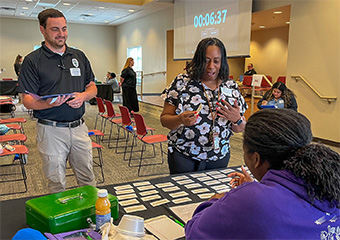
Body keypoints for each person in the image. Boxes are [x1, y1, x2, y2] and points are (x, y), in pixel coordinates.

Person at [185, 109, 340, 239]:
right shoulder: (330, 179)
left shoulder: (252, 200)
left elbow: (194, 232)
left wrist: (217, 201)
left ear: (256, 158)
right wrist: (260, 188)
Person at [18, 8, 97, 193]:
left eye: (64, 28)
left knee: (88, 179)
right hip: (50, 130)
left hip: (79, 128)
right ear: (42, 29)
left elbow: (92, 87)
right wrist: (47, 104)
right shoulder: (32, 60)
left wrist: (84, 96)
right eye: (55, 29)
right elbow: (27, 99)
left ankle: (92, 220)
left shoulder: (79, 56)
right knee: (56, 183)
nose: (61, 34)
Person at [160, 37, 248, 174]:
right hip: (184, 156)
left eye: (216, 61)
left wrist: (236, 118)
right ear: (198, 60)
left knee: (215, 195)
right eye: (206, 61)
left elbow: (239, 128)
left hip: (219, 157)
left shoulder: (231, 87)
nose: (211, 66)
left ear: (222, 62)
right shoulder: (182, 83)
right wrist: (179, 120)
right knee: (183, 194)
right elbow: (164, 120)